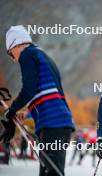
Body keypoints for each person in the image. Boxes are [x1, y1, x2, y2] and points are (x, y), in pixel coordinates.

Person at [0, 25, 75, 176]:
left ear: (16, 44)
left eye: (10, 53)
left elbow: (29, 88)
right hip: (60, 124)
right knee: (50, 172)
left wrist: (10, 111)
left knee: (52, 172)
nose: (13, 59)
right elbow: (50, 94)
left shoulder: (27, 54)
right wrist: (28, 113)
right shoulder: (42, 55)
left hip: (53, 125)